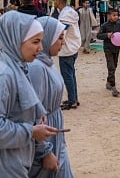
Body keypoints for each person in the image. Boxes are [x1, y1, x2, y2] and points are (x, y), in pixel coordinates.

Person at [0, 11, 58, 177]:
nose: (41, 48)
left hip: (15, 156)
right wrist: (31, 131)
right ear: (15, 40)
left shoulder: (18, 67)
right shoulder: (4, 74)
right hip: (3, 161)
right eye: (35, 41)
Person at [28, 16, 74, 178]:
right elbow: (32, 114)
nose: (63, 43)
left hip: (54, 133)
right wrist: (44, 151)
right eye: (60, 38)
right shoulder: (36, 67)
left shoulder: (46, 62)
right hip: (44, 138)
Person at [51, 0, 81, 109]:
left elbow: (61, 31)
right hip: (72, 46)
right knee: (71, 74)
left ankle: (72, 101)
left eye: (54, 0)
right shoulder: (67, 11)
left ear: (58, 0)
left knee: (67, 75)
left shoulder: (65, 14)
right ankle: (74, 98)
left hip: (68, 48)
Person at [97, 8, 120, 97]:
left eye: (117, 15)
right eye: (114, 15)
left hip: (116, 49)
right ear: (109, 15)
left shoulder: (119, 25)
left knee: (115, 65)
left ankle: (108, 81)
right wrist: (107, 35)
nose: (116, 17)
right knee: (111, 67)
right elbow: (98, 35)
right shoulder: (105, 25)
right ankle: (114, 87)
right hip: (108, 48)